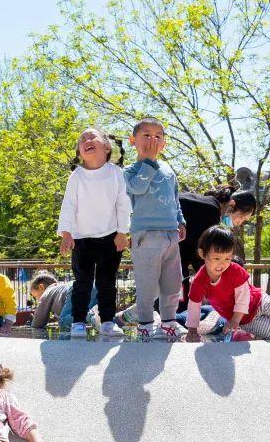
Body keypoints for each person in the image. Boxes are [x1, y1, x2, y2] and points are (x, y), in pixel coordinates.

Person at [58, 127, 131, 338]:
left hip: (110, 237)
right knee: (82, 282)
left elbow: (123, 204)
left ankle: (108, 321)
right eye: (82, 139)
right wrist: (66, 233)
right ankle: (78, 322)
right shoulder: (77, 175)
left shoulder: (116, 173)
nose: (87, 140)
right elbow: (69, 205)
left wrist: (122, 232)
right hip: (82, 239)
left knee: (107, 282)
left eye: (92, 136)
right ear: (80, 151)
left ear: (106, 146)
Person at [123, 117, 187, 339]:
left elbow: (175, 198)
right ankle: (145, 323)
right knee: (147, 282)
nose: (152, 140)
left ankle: (169, 321)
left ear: (164, 143)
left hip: (171, 235)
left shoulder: (168, 169)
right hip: (145, 235)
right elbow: (137, 189)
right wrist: (148, 162)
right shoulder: (130, 170)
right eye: (146, 135)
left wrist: (181, 220)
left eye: (158, 136)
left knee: (173, 282)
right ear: (133, 140)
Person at [186, 226, 270, 341]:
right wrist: (192, 330)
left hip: (259, 302)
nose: (222, 264)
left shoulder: (234, 270)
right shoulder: (199, 281)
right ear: (202, 254)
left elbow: (243, 296)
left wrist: (235, 319)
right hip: (247, 320)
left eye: (227, 258)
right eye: (216, 258)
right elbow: (194, 305)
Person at [178, 186, 256, 310]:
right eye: (241, 217)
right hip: (167, 252)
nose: (239, 223)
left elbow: (197, 251)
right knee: (177, 305)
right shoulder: (212, 211)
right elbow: (202, 254)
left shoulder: (204, 203)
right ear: (232, 204)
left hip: (158, 246)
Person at [29, 271, 97, 329]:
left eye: (35, 296)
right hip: (94, 286)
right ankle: (99, 315)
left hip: (75, 289)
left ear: (41, 287)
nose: (37, 300)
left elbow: (38, 322)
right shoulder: (60, 288)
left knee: (63, 321)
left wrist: (32, 326)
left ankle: (92, 316)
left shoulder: (48, 291)